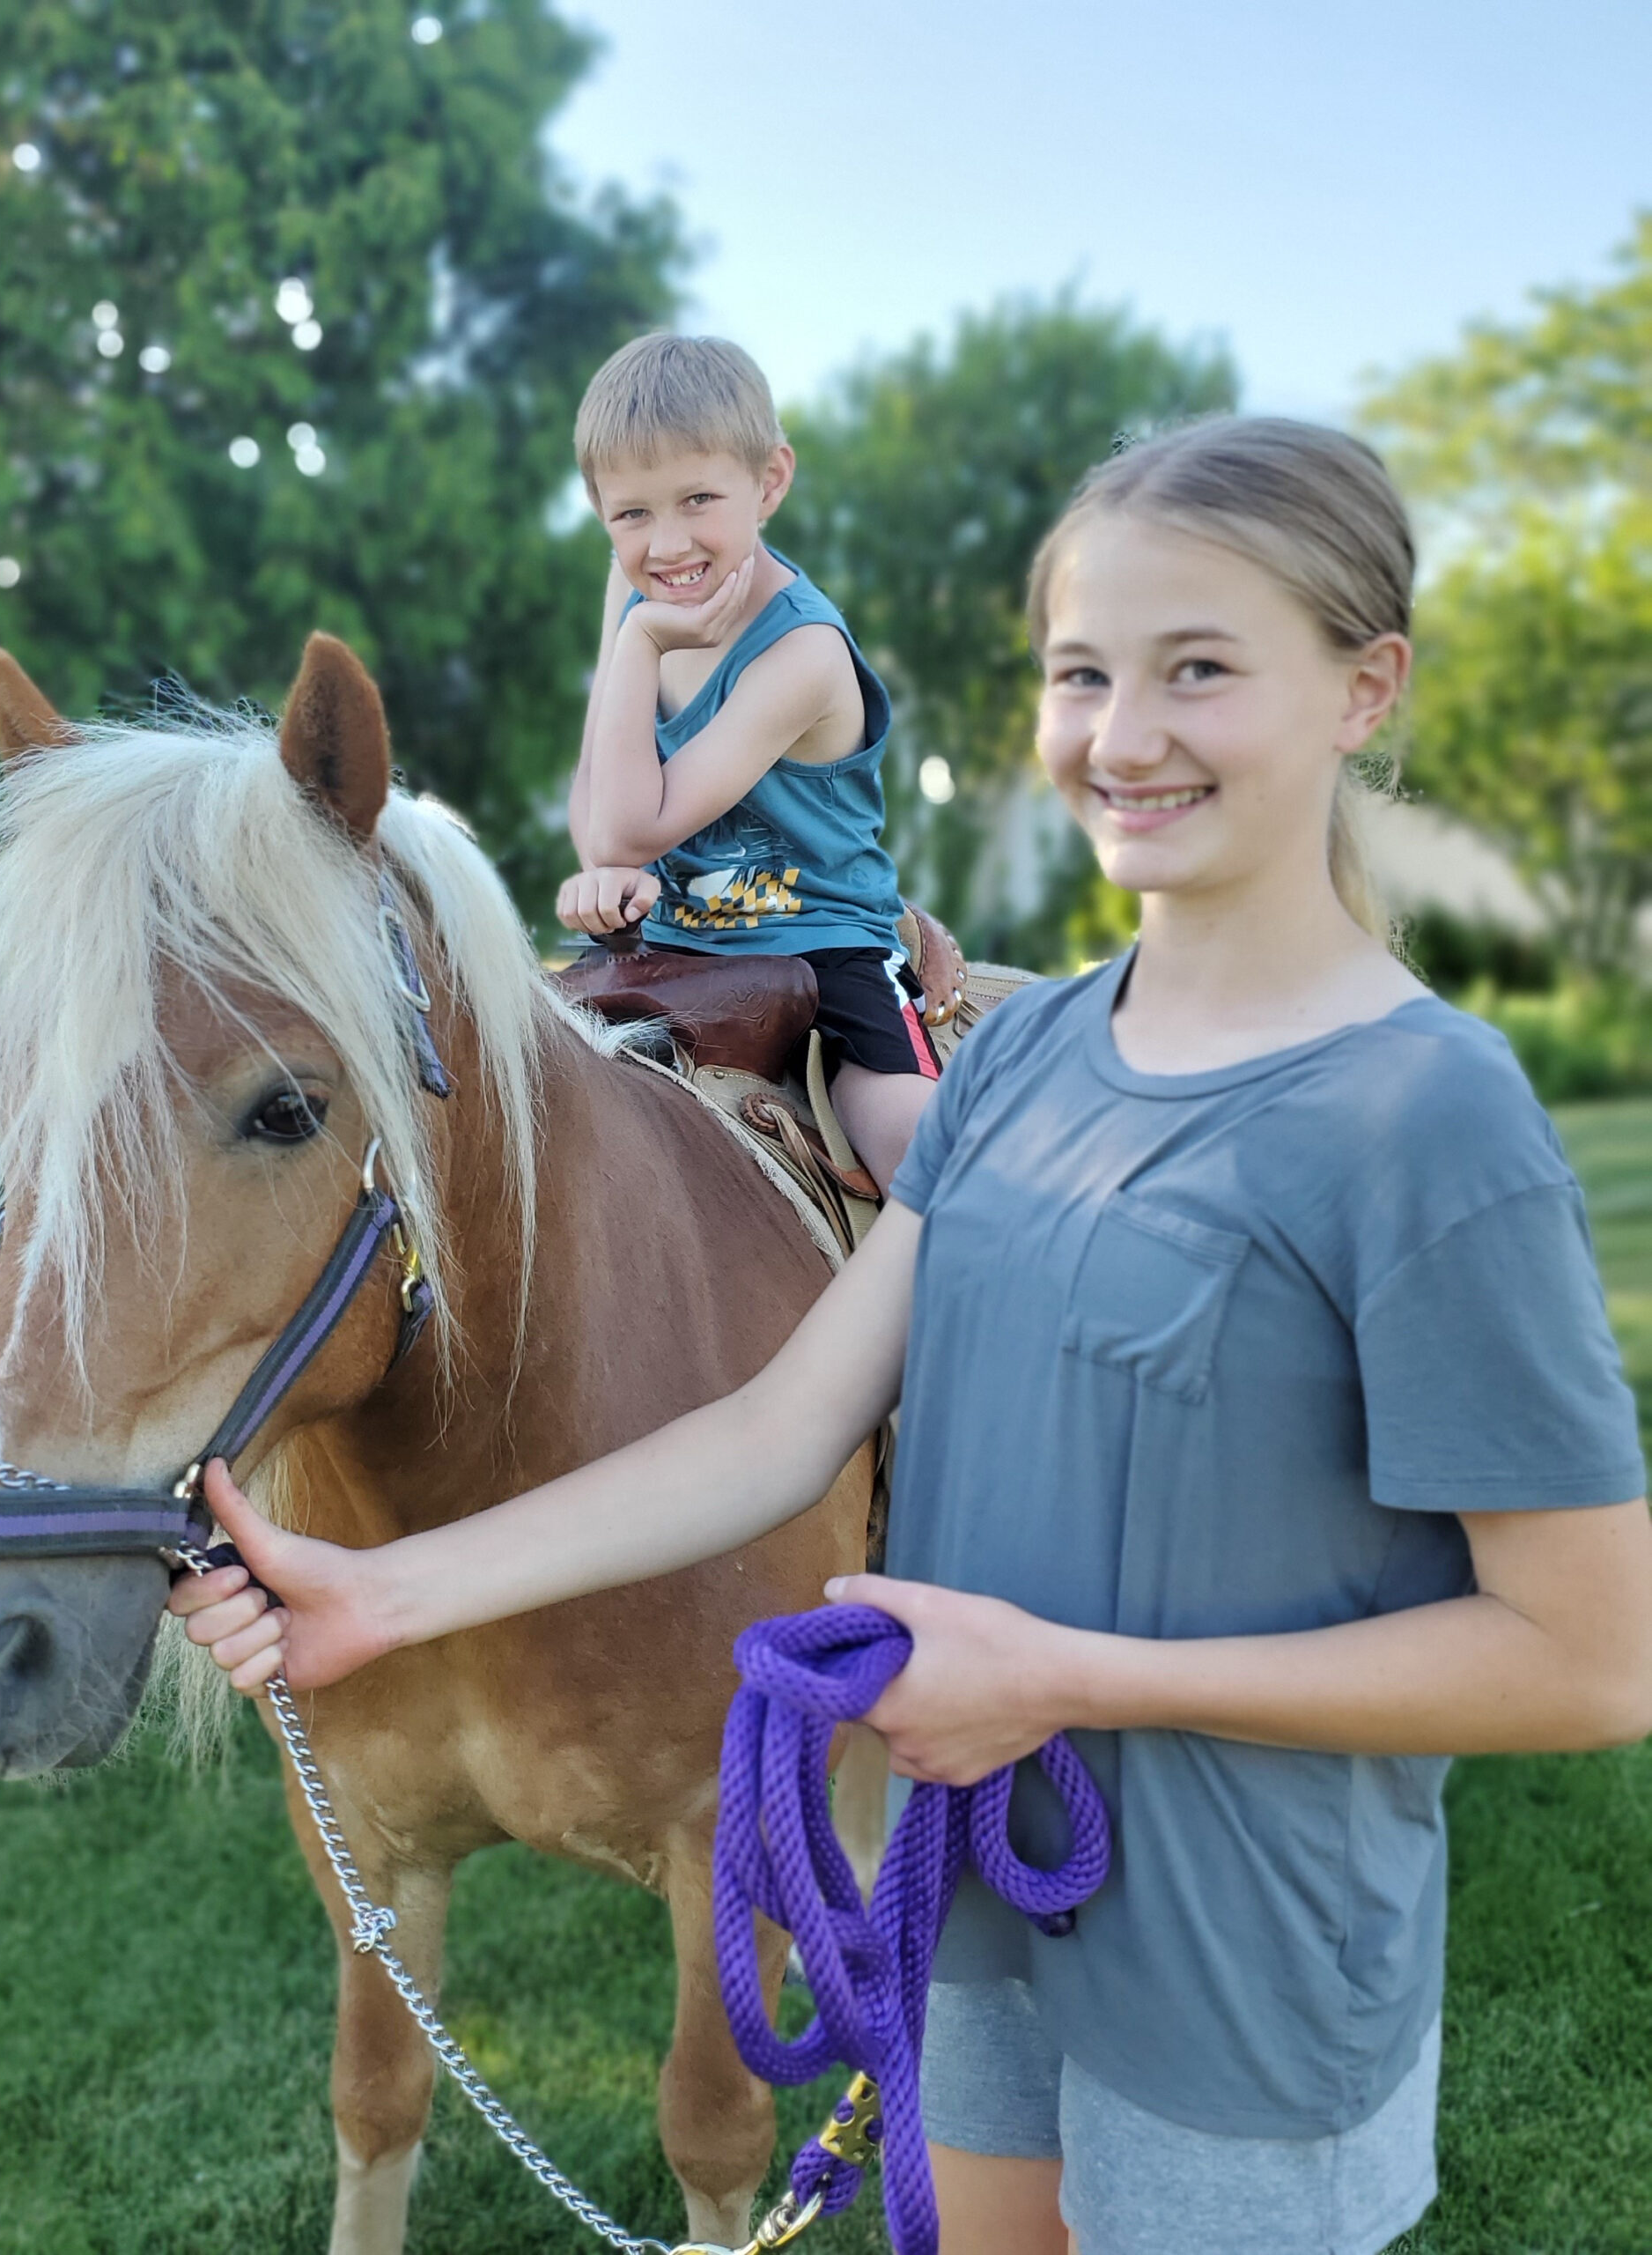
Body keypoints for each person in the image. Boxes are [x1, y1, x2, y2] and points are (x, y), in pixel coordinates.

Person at [171, 418, 1652, 2255]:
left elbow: (1588, 1658)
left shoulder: (1421, 1114)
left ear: (1363, 689)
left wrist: (1066, 1676)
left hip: (1237, 1975)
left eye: (1200, 667)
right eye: (1081, 671)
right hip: (969, 1932)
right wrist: (380, 1594)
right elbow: (778, 1428)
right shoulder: (1016, 1057)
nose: (1122, 733)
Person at [557, 331, 940, 1187]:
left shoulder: (800, 652)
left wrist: (645, 641)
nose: (667, 545)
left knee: (921, 1150)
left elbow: (632, 821)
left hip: (820, 943)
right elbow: (602, 795)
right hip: (669, 936)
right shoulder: (638, 587)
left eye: (699, 498)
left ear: (768, 482)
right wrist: (599, 879)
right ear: (600, 508)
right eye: (633, 514)